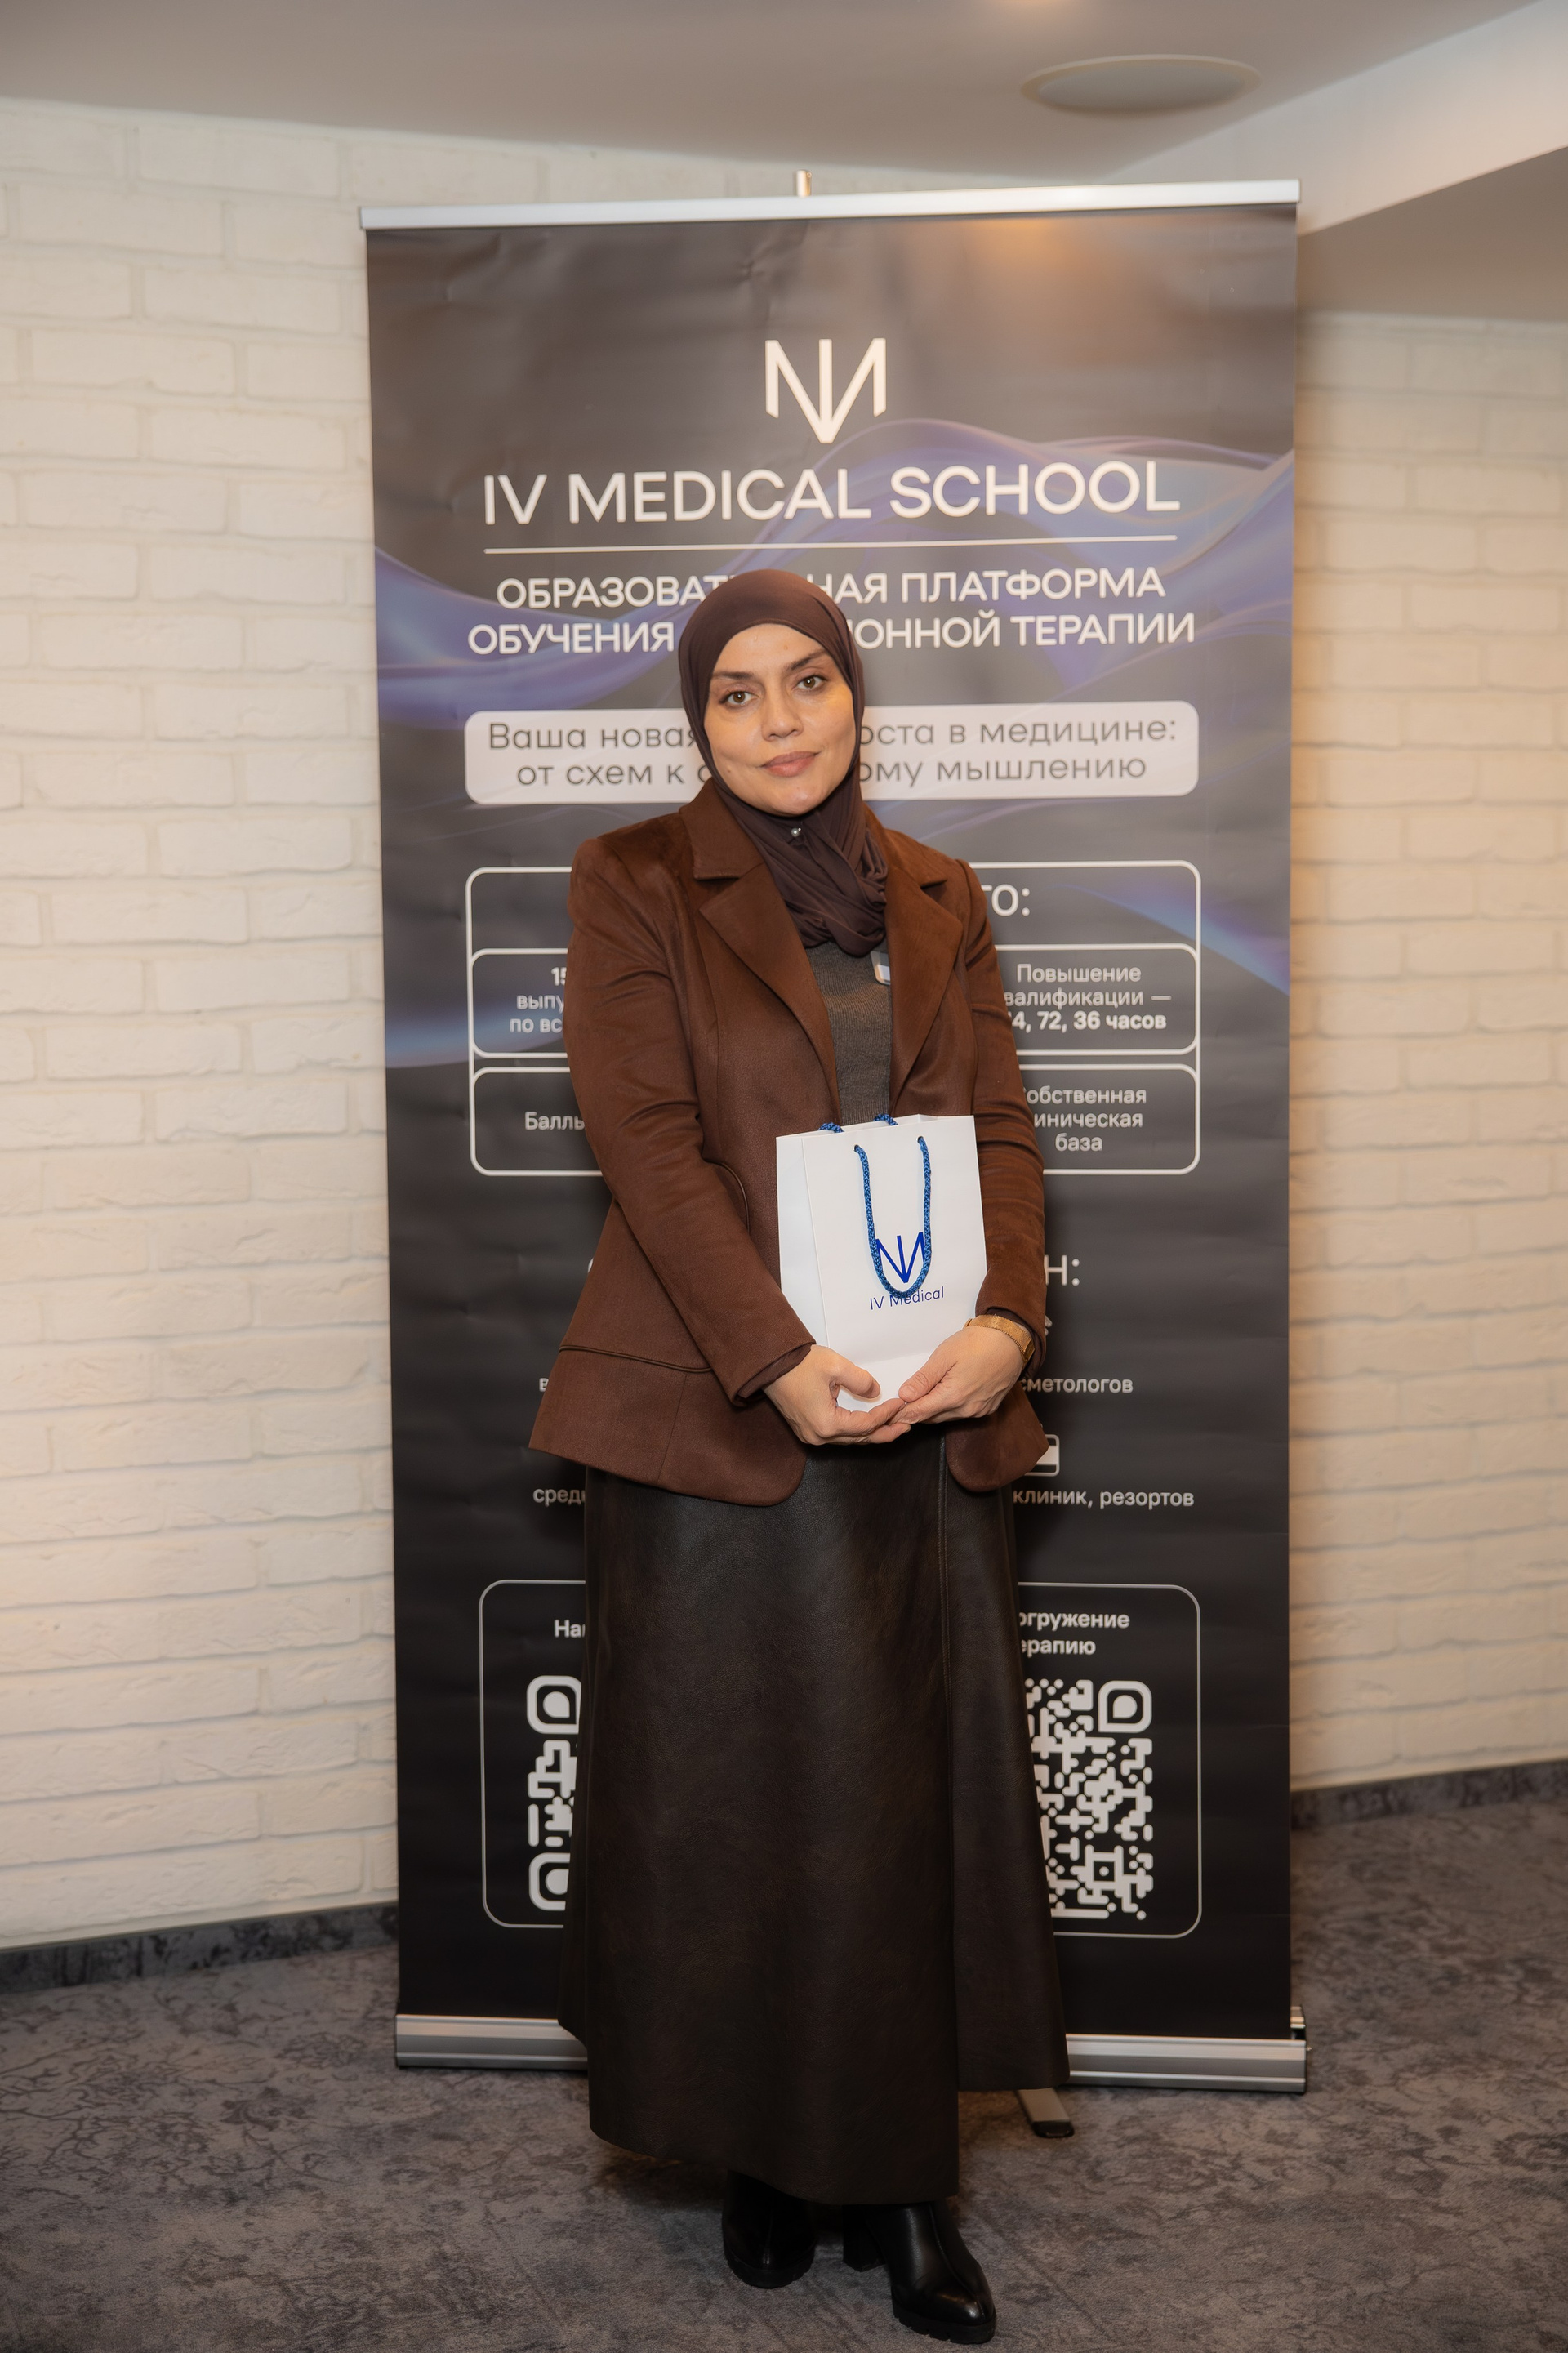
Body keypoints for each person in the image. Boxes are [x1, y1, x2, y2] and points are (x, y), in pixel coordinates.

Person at [532, 572, 1065, 2345]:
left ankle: (905, 2183)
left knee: (904, 1810)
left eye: (811, 681)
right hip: (725, 1421)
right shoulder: (631, 878)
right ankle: (761, 2145)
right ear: (700, 721)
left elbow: (997, 1126)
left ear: (855, 694)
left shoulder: (939, 891)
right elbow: (646, 1144)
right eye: (738, 693)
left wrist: (1006, 1327)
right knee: (741, 1804)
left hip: (924, 1411)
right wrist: (776, 1358)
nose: (781, 720)